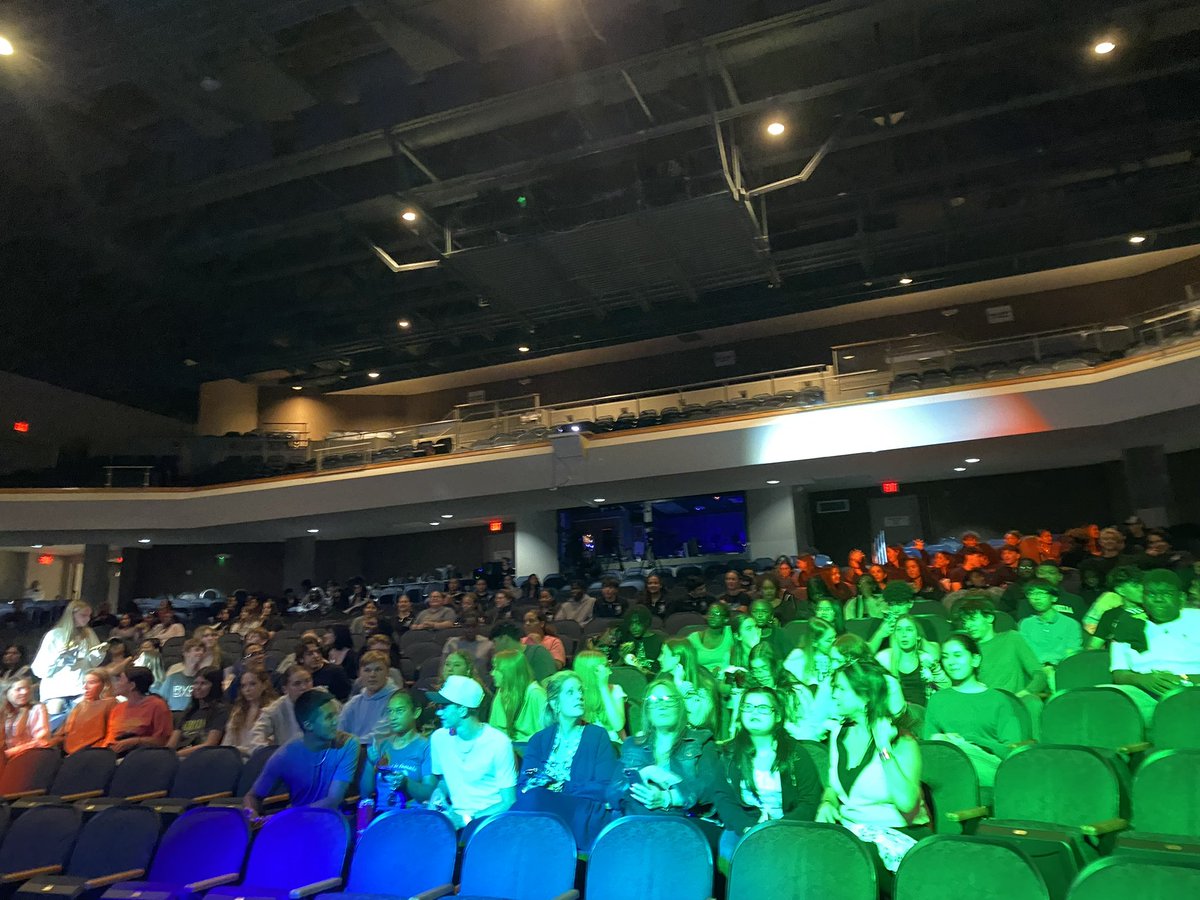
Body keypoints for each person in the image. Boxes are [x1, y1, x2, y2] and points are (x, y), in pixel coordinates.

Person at [820, 661, 929, 875]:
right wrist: (827, 801)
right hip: (853, 833)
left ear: (866, 696)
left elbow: (907, 804)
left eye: (841, 689)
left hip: (897, 837)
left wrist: (883, 748)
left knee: (848, 863)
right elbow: (833, 787)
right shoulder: (838, 734)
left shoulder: (903, 743)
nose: (834, 695)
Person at [710, 685, 823, 867]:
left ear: (777, 716)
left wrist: (777, 828)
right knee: (732, 853)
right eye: (748, 707)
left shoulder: (796, 755)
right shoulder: (729, 754)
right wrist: (746, 826)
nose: (754, 712)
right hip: (745, 826)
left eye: (763, 708)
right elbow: (722, 797)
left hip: (789, 827)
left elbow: (809, 801)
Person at [516, 671, 619, 850]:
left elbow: (606, 788)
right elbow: (525, 784)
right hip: (542, 809)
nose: (579, 696)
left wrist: (563, 786)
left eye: (580, 691)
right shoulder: (539, 740)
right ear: (555, 704)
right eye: (570, 692)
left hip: (582, 812)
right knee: (530, 801)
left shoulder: (597, 736)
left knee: (534, 801)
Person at [923, 633, 1022, 786]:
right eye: (946, 656)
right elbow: (928, 743)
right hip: (948, 769)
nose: (951, 662)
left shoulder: (997, 699)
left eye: (957, 655)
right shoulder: (937, 699)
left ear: (975, 660)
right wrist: (943, 740)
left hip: (987, 769)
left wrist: (972, 741)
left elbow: (1011, 751)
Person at [607, 677, 716, 816]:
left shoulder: (701, 740)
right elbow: (613, 795)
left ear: (679, 707)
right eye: (654, 700)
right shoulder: (633, 745)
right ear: (647, 712)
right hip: (639, 823)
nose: (661, 706)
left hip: (685, 822)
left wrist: (667, 798)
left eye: (668, 699)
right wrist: (645, 773)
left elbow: (710, 789)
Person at [244, 690, 358, 814]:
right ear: (308, 725)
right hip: (296, 822)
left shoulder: (348, 744)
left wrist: (288, 815)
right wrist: (251, 812)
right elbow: (253, 796)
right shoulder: (286, 754)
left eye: (336, 715)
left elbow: (333, 800)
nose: (336, 721)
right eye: (329, 717)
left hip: (331, 820)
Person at [428, 675, 517, 830]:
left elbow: (508, 801)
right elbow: (445, 781)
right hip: (453, 819)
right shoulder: (438, 738)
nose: (438, 713)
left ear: (462, 710)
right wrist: (438, 794)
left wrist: (468, 819)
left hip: (489, 823)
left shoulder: (499, 743)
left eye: (444, 707)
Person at [1110, 569, 1200, 704]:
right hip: (1143, 692)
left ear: (1181, 598)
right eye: (1151, 594)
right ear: (1143, 598)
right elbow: (1119, 673)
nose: (1158, 599)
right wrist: (1142, 680)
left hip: (1194, 689)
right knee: (1104, 696)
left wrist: (1183, 679)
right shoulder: (1128, 622)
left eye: (1167, 594)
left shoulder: (1196, 619)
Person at [32, 600, 107, 728]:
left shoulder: (88, 634)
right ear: (72, 615)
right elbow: (39, 669)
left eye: (89, 616)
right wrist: (59, 657)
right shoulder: (55, 635)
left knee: (79, 727)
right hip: (56, 690)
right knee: (54, 726)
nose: (87, 619)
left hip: (80, 688)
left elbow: (92, 664)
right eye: (83, 615)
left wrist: (98, 653)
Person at [360, 690, 435, 811]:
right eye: (390, 711)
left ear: (416, 712)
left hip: (412, 816)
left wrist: (406, 783)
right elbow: (365, 794)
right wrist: (370, 763)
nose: (393, 717)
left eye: (399, 711)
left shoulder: (426, 747)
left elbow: (429, 793)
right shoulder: (382, 745)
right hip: (382, 815)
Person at [957, 597, 1047, 697]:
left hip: (1015, 702)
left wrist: (1025, 693)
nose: (968, 625)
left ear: (989, 618)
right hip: (983, 704)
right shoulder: (968, 650)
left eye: (973, 619)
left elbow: (1039, 674)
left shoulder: (1011, 638)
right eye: (965, 622)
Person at [876, 615, 949, 707]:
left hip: (922, 714)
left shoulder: (925, 658)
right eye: (899, 630)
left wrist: (935, 670)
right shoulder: (883, 658)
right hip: (894, 716)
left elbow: (946, 688)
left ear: (918, 636)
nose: (904, 634)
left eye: (909, 629)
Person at [104, 665, 173, 756]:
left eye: (120, 680)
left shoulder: (157, 705)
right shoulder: (117, 709)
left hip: (141, 756)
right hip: (112, 755)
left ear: (132, 685)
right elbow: (109, 738)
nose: (116, 684)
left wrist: (133, 742)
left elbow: (162, 741)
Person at [1017, 580, 1083, 671]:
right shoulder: (1025, 624)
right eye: (1031, 594)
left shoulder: (1070, 624)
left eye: (1041, 593)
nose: (1036, 598)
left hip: (1062, 669)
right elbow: (1024, 652)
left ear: (1054, 598)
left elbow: (1072, 651)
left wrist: (1053, 667)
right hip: (1035, 670)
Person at [338, 650, 399, 743]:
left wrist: (352, 745)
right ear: (359, 674)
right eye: (367, 670)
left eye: (378, 669)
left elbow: (381, 735)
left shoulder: (397, 700)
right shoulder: (354, 703)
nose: (372, 675)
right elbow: (339, 731)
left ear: (387, 672)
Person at [168, 667, 229, 757]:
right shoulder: (189, 711)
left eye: (203, 683)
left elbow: (210, 744)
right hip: (178, 757)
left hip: (202, 757)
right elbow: (171, 744)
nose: (198, 687)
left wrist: (177, 754)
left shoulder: (220, 710)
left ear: (214, 686)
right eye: (195, 683)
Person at [489, 649, 546, 743]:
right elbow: (494, 730)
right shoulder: (501, 693)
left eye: (496, 669)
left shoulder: (536, 694)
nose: (492, 673)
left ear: (508, 671)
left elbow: (549, 733)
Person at [251, 665, 315, 748]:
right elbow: (257, 734)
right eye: (297, 684)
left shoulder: (325, 700)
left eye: (307, 681)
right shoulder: (275, 709)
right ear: (285, 689)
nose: (304, 687)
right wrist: (269, 753)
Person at [223, 667, 277, 757]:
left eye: (252, 684)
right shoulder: (238, 712)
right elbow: (227, 742)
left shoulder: (273, 709)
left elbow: (270, 745)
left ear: (264, 685)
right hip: (236, 759)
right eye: (243, 686)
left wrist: (241, 751)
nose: (247, 689)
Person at [572, 651, 626, 741]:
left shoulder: (615, 690)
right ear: (592, 672)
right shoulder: (575, 694)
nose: (610, 671)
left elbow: (618, 725)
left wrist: (603, 687)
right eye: (606, 666)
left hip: (612, 744)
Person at [59, 669, 115, 754]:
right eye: (84, 683)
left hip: (95, 753)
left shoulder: (111, 703)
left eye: (91, 683)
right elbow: (63, 733)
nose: (85, 687)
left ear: (105, 685)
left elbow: (112, 733)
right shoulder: (80, 706)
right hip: (71, 753)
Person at [599, 605, 662, 673]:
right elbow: (612, 671)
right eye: (630, 624)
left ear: (646, 622)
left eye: (637, 623)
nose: (633, 627)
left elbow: (660, 676)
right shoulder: (625, 639)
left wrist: (641, 669)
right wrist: (622, 659)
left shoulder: (659, 642)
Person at [2, 677, 50, 758]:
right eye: (19, 689)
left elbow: (41, 741)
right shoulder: (3, 712)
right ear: (7, 692)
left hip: (30, 756)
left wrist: (10, 752)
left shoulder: (37, 709)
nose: (25, 692)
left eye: (27, 688)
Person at [157, 638, 206, 713]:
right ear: (186, 653)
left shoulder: (204, 678)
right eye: (197, 650)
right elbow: (160, 699)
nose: (201, 653)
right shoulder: (173, 677)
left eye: (203, 651)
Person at [688, 602, 734, 674]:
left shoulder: (731, 633)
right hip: (701, 678)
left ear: (726, 619)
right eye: (710, 613)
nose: (712, 616)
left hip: (726, 677)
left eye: (717, 614)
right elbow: (687, 664)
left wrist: (722, 669)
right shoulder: (694, 638)